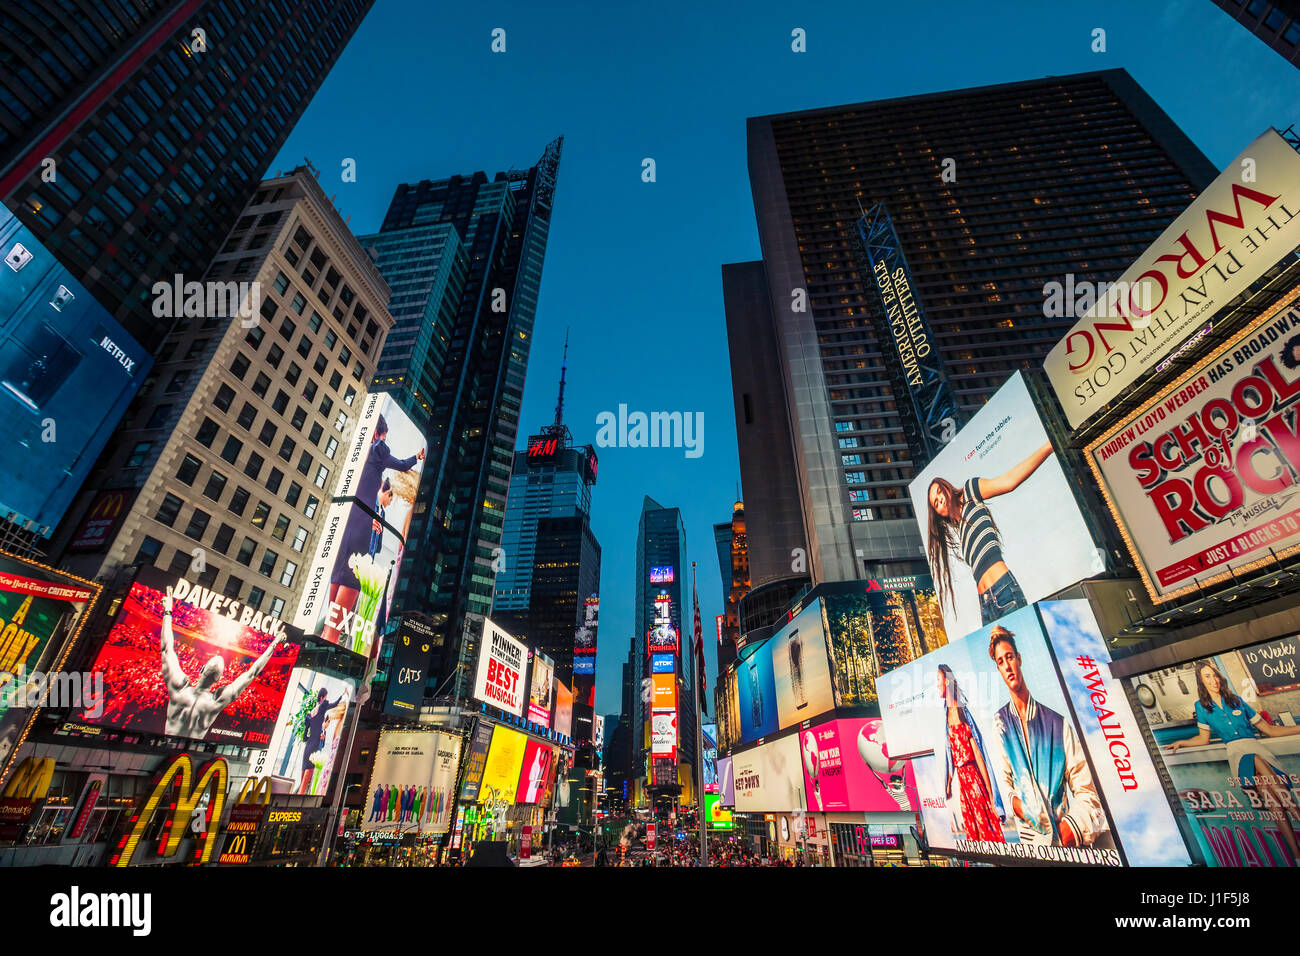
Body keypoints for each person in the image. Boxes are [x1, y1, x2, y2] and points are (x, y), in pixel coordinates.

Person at [1166, 659, 1300, 863]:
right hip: (1238, 755)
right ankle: (1296, 812)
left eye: (1215, 675)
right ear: (1201, 682)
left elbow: (1270, 730)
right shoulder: (1202, 707)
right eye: (1207, 677)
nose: (1213, 680)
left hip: (1258, 749)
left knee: (1275, 806)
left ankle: (1297, 858)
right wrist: (1182, 742)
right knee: (1255, 760)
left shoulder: (1236, 700)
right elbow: (1203, 739)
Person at [989, 626, 1103, 848]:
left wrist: (1070, 830)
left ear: (1019, 659)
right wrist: (1021, 808)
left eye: (1009, 657)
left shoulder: (1057, 723)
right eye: (1001, 662)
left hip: (1065, 845)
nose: (1007, 666)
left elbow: (1088, 793)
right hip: (1029, 845)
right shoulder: (1000, 722)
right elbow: (1004, 783)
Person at [323, 413, 424, 645]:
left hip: (348, 516)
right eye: (384, 437)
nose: (384, 442)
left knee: (339, 570)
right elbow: (399, 464)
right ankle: (332, 637)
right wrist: (416, 458)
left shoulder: (357, 450)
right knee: (354, 573)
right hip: (361, 519)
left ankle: (328, 634)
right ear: (378, 434)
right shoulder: (378, 447)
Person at [926, 442, 1053, 626]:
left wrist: (1048, 446)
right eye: (936, 503)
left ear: (947, 487)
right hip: (984, 605)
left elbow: (1009, 482)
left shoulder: (970, 493)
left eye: (940, 492)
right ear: (937, 513)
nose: (941, 500)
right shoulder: (961, 531)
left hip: (1003, 591)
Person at [160, 587, 285, 740]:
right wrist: (274, 643)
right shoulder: (216, 702)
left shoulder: (179, 690)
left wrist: (168, 611)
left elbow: (166, 649)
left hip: (166, 740)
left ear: (201, 669)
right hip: (190, 745)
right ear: (218, 680)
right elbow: (252, 673)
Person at [938, 664, 1005, 843]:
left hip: (974, 780)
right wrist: (949, 783)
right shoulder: (945, 716)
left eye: (938, 681)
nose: (937, 686)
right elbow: (950, 753)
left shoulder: (962, 713)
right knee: (974, 836)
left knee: (987, 832)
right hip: (963, 784)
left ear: (946, 681)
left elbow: (979, 756)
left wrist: (992, 796)